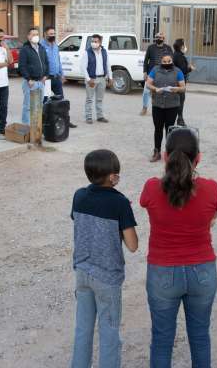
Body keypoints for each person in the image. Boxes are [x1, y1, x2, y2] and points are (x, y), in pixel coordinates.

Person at [140, 128, 217, 367]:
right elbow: (212, 216)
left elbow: (152, 203)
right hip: (203, 271)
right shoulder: (212, 188)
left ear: (165, 157)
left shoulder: (150, 187)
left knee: (162, 339)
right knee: (200, 337)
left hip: (162, 271)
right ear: (199, 157)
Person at [70, 149, 138, 367]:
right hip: (107, 277)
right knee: (109, 332)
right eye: (117, 172)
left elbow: (82, 223)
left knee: (83, 329)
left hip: (82, 271)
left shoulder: (79, 195)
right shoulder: (120, 203)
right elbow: (133, 245)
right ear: (112, 176)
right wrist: (122, 219)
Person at [146, 54, 186, 162]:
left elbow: (183, 87)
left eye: (169, 61)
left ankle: (169, 154)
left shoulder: (178, 71)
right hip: (157, 104)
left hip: (172, 105)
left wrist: (176, 89)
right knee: (158, 129)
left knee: (170, 130)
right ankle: (157, 152)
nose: (167, 63)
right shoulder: (155, 70)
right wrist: (155, 89)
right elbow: (148, 83)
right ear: (161, 61)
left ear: (172, 61)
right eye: (165, 61)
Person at [43, 26, 77, 128]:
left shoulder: (56, 46)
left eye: (54, 34)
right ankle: (45, 122)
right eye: (50, 34)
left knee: (61, 100)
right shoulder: (41, 46)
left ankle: (65, 120)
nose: (52, 36)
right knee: (45, 100)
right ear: (45, 34)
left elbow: (58, 62)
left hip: (56, 77)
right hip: (47, 78)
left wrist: (62, 75)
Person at [18, 27, 49, 126]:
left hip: (41, 82)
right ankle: (26, 127)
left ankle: (36, 127)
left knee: (39, 106)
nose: (35, 36)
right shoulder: (25, 49)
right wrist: (28, 79)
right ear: (28, 37)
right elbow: (22, 66)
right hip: (30, 83)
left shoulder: (42, 48)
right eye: (33, 34)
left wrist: (45, 76)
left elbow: (46, 63)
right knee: (28, 106)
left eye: (37, 34)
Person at [80, 34, 112, 124]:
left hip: (102, 78)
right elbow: (83, 67)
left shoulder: (104, 52)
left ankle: (100, 116)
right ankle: (88, 117)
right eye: (92, 41)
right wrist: (88, 79)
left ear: (100, 42)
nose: (93, 43)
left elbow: (107, 65)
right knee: (89, 99)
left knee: (99, 99)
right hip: (92, 79)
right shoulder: (87, 52)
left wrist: (110, 77)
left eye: (96, 41)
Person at [141, 32, 173, 116]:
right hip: (151, 72)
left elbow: (171, 61)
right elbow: (146, 60)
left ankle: (160, 109)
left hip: (163, 73)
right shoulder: (151, 47)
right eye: (157, 37)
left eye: (161, 37)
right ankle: (144, 108)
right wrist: (145, 72)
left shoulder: (168, 48)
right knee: (146, 91)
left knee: (162, 91)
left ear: (163, 39)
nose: (159, 39)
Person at [172, 38, 193, 126]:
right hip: (179, 83)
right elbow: (183, 70)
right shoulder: (179, 56)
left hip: (177, 82)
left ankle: (179, 119)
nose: (185, 46)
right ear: (181, 46)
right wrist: (190, 68)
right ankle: (180, 119)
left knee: (179, 101)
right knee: (180, 101)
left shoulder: (176, 54)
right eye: (184, 44)